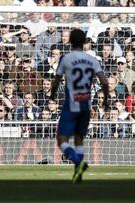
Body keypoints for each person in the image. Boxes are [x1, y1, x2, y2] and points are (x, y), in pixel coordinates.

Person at [50, 29, 109, 183]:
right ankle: (78, 173)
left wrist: (52, 95)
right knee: (79, 139)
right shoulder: (93, 59)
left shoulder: (66, 58)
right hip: (87, 105)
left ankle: (78, 162)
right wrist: (106, 100)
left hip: (72, 104)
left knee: (62, 139)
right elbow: (104, 82)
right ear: (84, 42)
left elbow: (56, 80)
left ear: (69, 41)